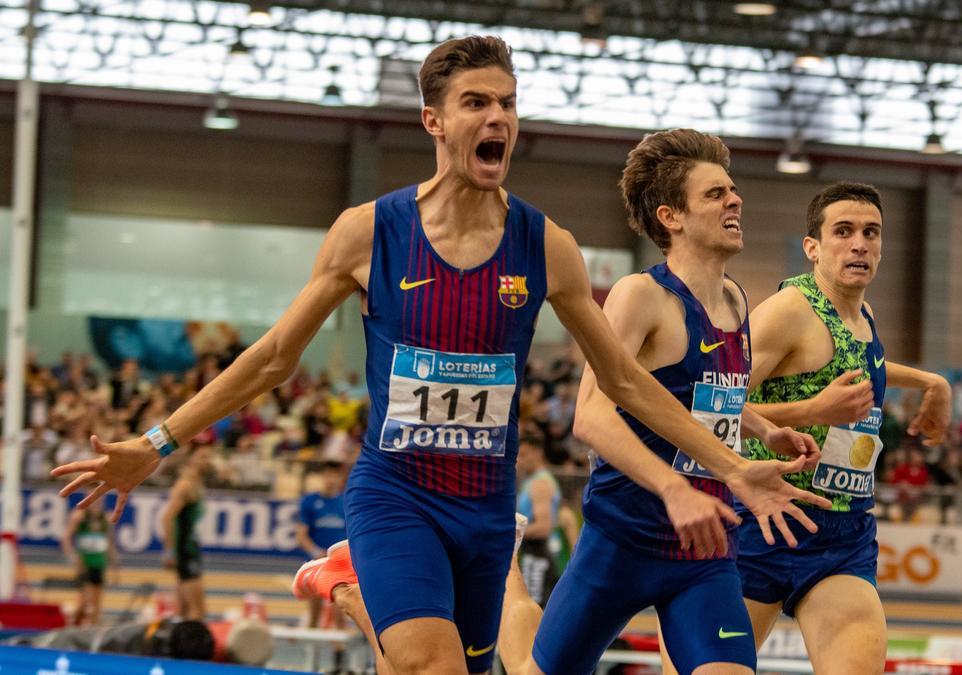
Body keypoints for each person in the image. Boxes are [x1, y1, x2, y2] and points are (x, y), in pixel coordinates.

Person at [55, 36, 817, 675]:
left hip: (485, 510)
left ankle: (351, 593)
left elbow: (621, 380)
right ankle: (368, 586)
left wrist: (728, 468)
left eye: (509, 104)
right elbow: (273, 357)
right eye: (477, 103)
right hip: (397, 492)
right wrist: (155, 442)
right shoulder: (370, 232)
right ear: (434, 120)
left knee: (447, 663)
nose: (499, 118)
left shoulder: (546, 246)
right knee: (431, 664)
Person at [495, 129, 854, 675]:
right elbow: (591, 416)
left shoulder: (735, 299)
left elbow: (704, 397)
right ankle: (502, 561)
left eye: (733, 190)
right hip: (625, 540)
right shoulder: (641, 296)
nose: (735, 200)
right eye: (715, 194)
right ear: (671, 217)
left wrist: (761, 428)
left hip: (706, 550)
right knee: (530, 669)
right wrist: (672, 487)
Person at [696, 182, 952, 675]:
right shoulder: (786, 313)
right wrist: (814, 409)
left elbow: (866, 363)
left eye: (871, 233)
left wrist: (929, 381)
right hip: (762, 523)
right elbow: (714, 403)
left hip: (842, 534)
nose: (859, 244)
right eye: (844, 231)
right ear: (812, 247)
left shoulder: (863, 314)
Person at [160, 445, 210, 621]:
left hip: (192, 549)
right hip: (185, 552)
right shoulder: (185, 486)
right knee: (197, 611)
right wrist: (169, 551)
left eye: (208, 457)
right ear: (191, 459)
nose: (208, 461)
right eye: (203, 456)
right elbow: (167, 518)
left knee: (183, 610)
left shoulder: (197, 484)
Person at [295, 461, 348, 629]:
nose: (331, 479)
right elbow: (301, 535)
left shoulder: (346, 502)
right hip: (317, 562)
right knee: (314, 612)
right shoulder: (309, 502)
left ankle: (339, 653)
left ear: (340, 478)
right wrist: (315, 552)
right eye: (328, 475)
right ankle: (311, 652)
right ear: (322, 476)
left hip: (341, 564)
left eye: (335, 475)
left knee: (341, 611)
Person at [514, 436, 561, 607]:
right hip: (532, 553)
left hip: (537, 554)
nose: (519, 460)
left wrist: (510, 532)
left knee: (533, 608)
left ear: (537, 453)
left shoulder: (540, 484)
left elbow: (543, 527)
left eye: (524, 454)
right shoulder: (532, 481)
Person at [61, 501, 117, 626]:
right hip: (84, 565)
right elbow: (66, 537)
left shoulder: (105, 518)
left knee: (96, 604)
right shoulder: (79, 516)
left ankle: (93, 632)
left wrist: (115, 568)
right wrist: (73, 557)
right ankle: (73, 627)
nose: (97, 504)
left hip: (99, 564)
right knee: (84, 603)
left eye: (101, 500)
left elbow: (110, 543)